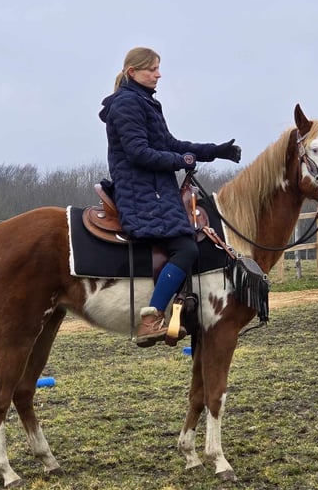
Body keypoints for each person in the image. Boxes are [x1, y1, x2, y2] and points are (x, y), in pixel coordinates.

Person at [99, 47, 241, 347]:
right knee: (186, 249)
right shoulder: (126, 104)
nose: (158, 74)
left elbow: (172, 144)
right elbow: (138, 153)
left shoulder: (145, 103)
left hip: (156, 189)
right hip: (141, 192)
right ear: (132, 73)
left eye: (158, 68)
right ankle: (151, 319)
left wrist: (214, 151)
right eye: (151, 69)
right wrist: (182, 161)